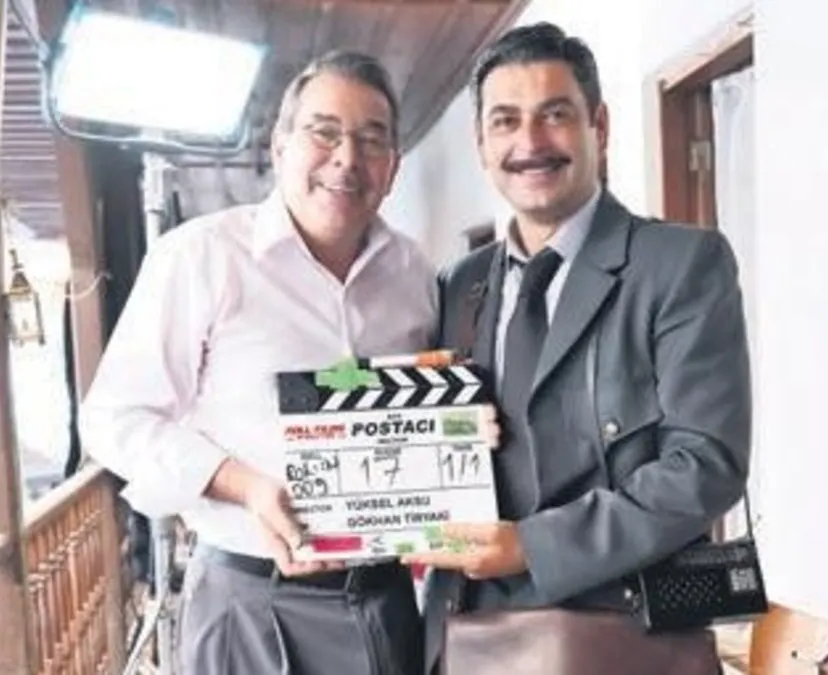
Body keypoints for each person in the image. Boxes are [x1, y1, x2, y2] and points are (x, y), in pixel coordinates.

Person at [404, 22, 751, 675]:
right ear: (481, 144)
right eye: (505, 121)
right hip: (469, 640)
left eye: (555, 114)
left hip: (626, 642)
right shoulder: (459, 285)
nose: (530, 142)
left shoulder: (680, 264)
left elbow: (706, 464)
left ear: (599, 126)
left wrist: (530, 546)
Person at [80, 51, 433, 675]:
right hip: (247, 600)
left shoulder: (416, 274)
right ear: (280, 146)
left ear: (394, 166)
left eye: (371, 139)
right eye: (324, 132)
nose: (347, 158)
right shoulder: (201, 256)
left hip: (386, 600)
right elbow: (113, 419)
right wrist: (244, 485)